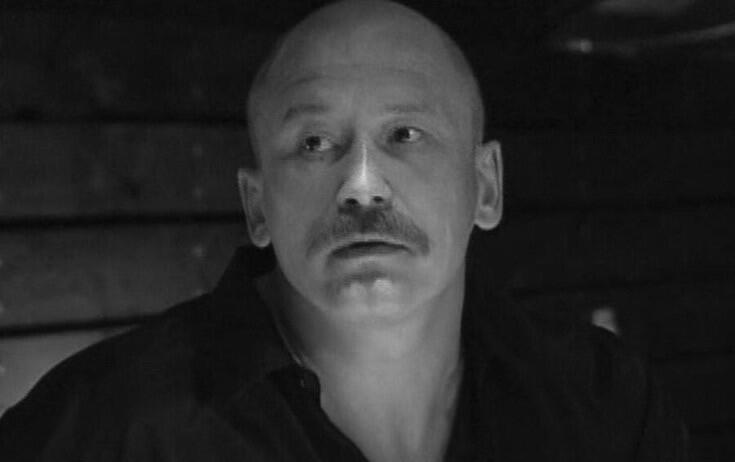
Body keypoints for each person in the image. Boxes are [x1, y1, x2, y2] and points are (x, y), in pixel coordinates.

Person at [0, 1, 689, 460]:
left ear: (484, 187)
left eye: (405, 134)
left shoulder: (605, 403)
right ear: (257, 207)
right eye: (313, 143)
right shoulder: (104, 428)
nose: (362, 183)